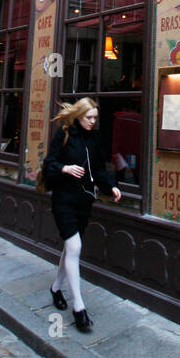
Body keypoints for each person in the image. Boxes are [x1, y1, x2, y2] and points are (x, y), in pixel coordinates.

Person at [42, 98, 120, 333]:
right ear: (79, 116)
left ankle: (56, 288)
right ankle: (79, 307)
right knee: (74, 247)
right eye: (89, 118)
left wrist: (110, 186)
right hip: (64, 200)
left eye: (95, 118)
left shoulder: (94, 139)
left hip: (84, 201)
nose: (92, 122)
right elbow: (48, 164)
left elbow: (98, 169)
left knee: (70, 249)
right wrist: (65, 168)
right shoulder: (64, 135)